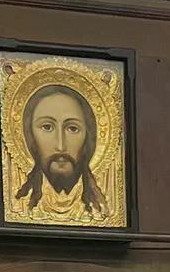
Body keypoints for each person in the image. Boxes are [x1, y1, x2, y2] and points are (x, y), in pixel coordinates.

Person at [14, 83, 107, 220]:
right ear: (29, 135)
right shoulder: (19, 206)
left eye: (73, 128)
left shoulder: (100, 210)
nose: (61, 146)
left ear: (89, 136)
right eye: (47, 127)